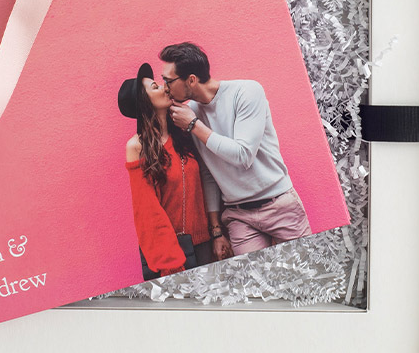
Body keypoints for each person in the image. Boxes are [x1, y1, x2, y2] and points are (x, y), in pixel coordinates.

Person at [159, 42, 312, 255]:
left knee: (302, 273)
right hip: (238, 216)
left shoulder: (247, 92)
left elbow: (243, 155)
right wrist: (216, 232)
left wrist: (194, 125)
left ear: (191, 80)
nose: (165, 87)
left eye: (168, 80)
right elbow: (209, 173)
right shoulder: (191, 113)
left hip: (279, 205)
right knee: (250, 283)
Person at [117, 63, 232, 279]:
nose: (164, 87)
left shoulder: (183, 133)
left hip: (204, 246)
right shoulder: (137, 147)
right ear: (144, 102)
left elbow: (207, 181)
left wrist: (217, 234)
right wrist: (171, 265)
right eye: (155, 86)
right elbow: (147, 212)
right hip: (171, 254)